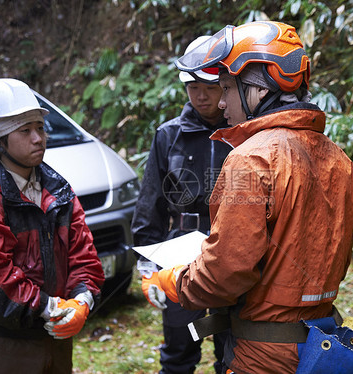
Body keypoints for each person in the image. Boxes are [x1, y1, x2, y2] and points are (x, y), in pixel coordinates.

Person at [157, 21, 353, 373]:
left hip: (263, 355)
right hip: (320, 348)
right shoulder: (338, 159)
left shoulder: (252, 159)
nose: (220, 102)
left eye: (226, 88)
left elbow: (227, 271)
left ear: (256, 89)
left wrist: (177, 283)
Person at [0, 78, 105, 373]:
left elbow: (83, 255)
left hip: (53, 342)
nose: (38, 138)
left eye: (40, 128)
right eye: (25, 130)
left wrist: (82, 299)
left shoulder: (58, 192)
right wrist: (51, 308)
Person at [131, 36, 232, 374]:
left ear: (226, 84)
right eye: (192, 86)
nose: (200, 95)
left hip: (232, 251)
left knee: (233, 348)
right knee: (178, 348)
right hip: (180, 256)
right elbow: (151, 205)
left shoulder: (244, 133)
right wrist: (147, 266)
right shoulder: (169, 136)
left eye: (209, 86)